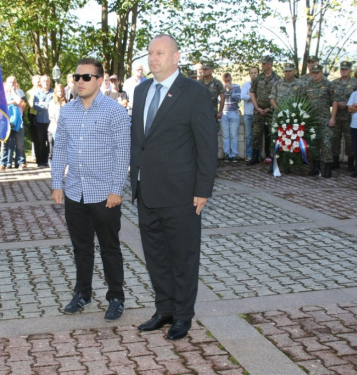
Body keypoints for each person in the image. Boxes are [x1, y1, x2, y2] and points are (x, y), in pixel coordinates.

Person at [130, 35, 217, 341]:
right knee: (155, 256)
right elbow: (138, 140)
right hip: (146, 191)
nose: (153, 58)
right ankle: (164, 309)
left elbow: (207, 144)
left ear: (176, 57)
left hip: (182, 193)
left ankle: (182, 315)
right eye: (150, 53)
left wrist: (203, 188)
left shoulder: (194, 93)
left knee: (183, 257)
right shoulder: (141, 90)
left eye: (160, 53)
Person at [51, 58, 131, 321]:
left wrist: (116, 189)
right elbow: (60, 147)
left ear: (99, 80)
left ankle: (116, 297)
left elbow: (123, 153)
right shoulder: (68, 111)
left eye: (86, 77)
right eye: (77, 77)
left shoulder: (114, 111)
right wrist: (56, 184)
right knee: (81, 247)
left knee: (109, 247)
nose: (80, 82)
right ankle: (83, 293)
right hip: (75, 190)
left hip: (105, 193)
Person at [302, 64, 337, 177]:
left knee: (326, 144)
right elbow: (303, 101)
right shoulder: (308, 85)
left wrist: (333, 117)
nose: (315, 74)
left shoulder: (328, 84)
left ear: (321, 73)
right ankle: (315, 167)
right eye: (313, 72)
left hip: (325, 120)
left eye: (317, 72)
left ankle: (327, 167)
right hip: (312, 120)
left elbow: (334, 101)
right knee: (313, 144)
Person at [247, 56, 281, 166]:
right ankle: (255, 156)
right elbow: (252, 92)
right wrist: (257, 107)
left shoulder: (277, 78)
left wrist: (271, 108)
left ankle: (271, 156)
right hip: (258, 111)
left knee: (271, 134)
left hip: (271, 111)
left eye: (264, 63)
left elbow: (279, 96)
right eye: (262, 63)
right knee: (256, 134)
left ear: (270, 64)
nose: (262, 65)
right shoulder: (258, 78)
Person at [331, 61, 357, 171]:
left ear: (350, 70)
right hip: (336, 116)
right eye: (342, 69)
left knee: (350, 140)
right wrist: (337, 103)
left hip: (350, 117)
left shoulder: (355, 83)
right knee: (335, 139)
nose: (344, 71)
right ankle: (335, 161)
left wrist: (347, 104)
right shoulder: (334, 83)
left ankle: (350, 162)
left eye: (346, 69)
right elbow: (331, 98)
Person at [0, 76, 27, 170]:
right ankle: (3, 163)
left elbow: (19, 101)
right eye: (10, 82)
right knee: (5, 143)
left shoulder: (19, 92)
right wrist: (12, 102)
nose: (12, 84)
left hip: (18, 120)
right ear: (6, 83)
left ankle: (22, 162)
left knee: (20, 143)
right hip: (5, 120)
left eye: (14, 82)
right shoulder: (1, 93)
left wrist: (13, 92)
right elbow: (0, 104)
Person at [33, 75, 54, 168]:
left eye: (47, 81)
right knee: (41, 141)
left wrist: (43, 103)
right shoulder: (37, 93)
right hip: (40, 120)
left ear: (50, 82)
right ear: (41, 82)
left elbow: (54, 103)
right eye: (44, 81)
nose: (46, 82)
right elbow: (35, 106)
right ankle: (42, 161)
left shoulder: (54, 92)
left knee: (50, 141)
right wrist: (46, 106)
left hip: (51, 121)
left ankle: (51, 160)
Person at [220, 72, 241, 161]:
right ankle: (227, 154)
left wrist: (231, 91)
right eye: (226, 81)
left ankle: (234, 155)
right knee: (225, 136)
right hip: (224, 113)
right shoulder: (221, 88)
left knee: (233, 135)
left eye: (229, 81)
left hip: (234, 112)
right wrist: (223, 91)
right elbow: (218, 101)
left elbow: (238, 100)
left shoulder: (236, 87)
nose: (227, 83)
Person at [241, 66, 258, 160]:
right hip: (248, 114)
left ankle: (257, 156)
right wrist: (253, 97)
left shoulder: (260, 85)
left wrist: (250, 95)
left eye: (255, 72)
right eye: (251, 73)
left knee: (258, 136)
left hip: (258, 113)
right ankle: (249, 155)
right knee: (249, 136)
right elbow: (242, 96)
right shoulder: (246, 85)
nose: (253, 74)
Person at [27, 75, 42, 167]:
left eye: (40, 81)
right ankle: (39, 159)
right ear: (33, 82)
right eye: (38, 81)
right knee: (37, 139)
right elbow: (32, 105)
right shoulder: (29, 92)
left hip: (46, 116)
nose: (40, 83)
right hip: (34, 116)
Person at [47, 83, 66, 151]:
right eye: (58, 91)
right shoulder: (52, 103)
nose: (60, 93)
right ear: (55, 92)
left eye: (61, 91)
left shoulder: (66, 102)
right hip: (55, 128)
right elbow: (52, 116)